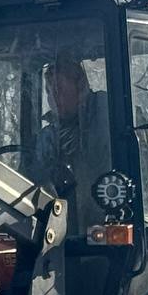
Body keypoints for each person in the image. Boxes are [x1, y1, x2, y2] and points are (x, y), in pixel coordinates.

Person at [27, 53, 108, 232]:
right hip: (54, 228)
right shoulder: (46, 138)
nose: (52, 99)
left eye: (59, 90)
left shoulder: (104, 120)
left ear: (81, 88)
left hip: (102, 228)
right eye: (49, 92)